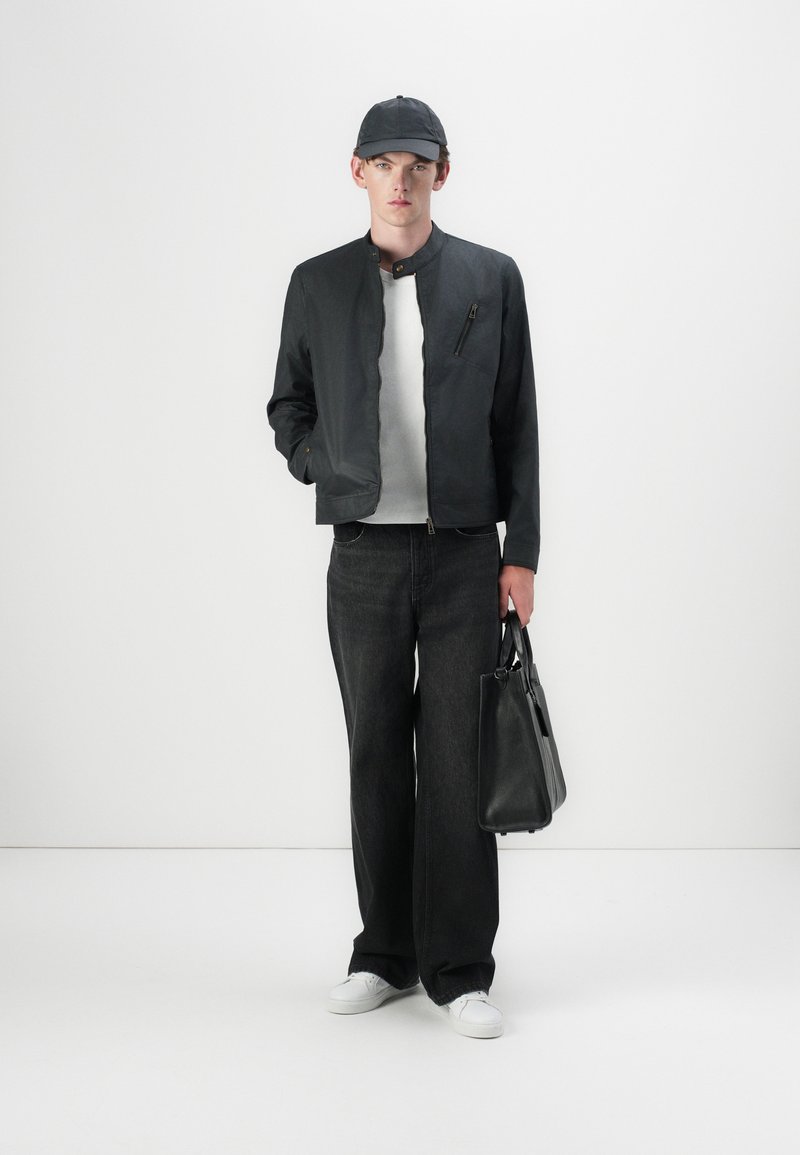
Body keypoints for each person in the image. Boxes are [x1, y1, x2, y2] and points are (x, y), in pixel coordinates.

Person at [267, 95, 540, 1039]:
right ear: (358, 172)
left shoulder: (490, 276)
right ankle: (383, 952)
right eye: (384, 163)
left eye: (417, 164)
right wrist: (326, 465)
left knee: (459, 765)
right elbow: (288, 406)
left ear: (442, 173)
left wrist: (522, 552)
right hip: (364, 556)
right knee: (376, 754)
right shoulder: (316, 282)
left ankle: (459, 967)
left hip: (466, 556)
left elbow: (519, 419)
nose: (401, 180)